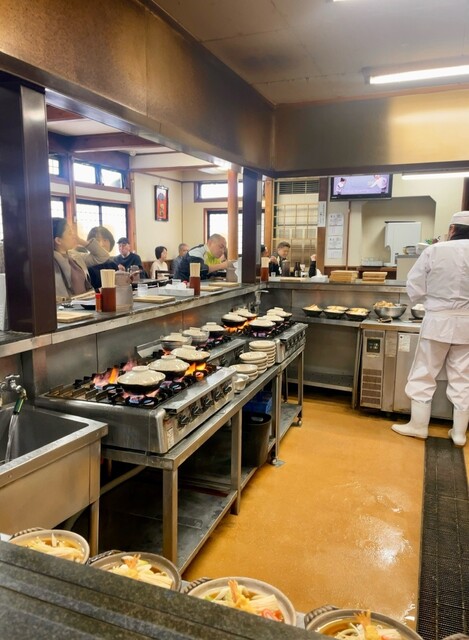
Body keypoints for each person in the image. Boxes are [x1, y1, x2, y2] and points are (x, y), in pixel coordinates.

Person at [392, 211, 469, 446]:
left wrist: (428, 301)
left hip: (437, 321)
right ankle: (459, 433)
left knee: (424, 372)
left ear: (452, 229)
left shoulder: (435, 250)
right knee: (463, 377)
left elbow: (414, 285)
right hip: (467, 324)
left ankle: (418, 426)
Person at [53, 218, 110, 300]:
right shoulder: (52, 262)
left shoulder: (75, 255)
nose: (74, 235)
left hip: (85, 303)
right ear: (58, 240)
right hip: (69, 306)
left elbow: (103, 256)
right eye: (70, 233)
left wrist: (81, 241)